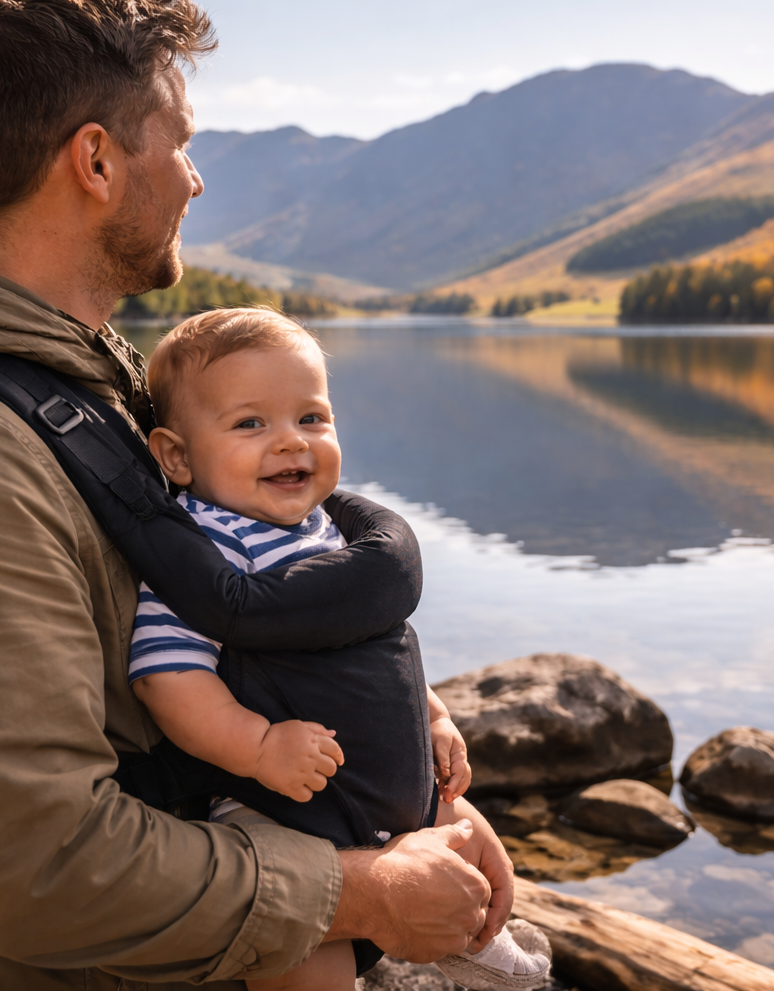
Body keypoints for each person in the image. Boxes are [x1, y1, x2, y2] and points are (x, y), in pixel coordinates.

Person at [0, 0, 513, 990]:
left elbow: (213, 597)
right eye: (178, 140)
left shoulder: (80, 386)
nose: (195, 179)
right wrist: (367, 889)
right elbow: (37, 863)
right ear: (95, 160)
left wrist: (403, 728)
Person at [128, 308, 552, 991]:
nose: (290, 443)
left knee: (463, 828)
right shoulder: (204, 552)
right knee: (305, 955)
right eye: (250, 424)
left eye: (312, 419)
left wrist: (434, 717)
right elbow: (167, 677)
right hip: (278, 803)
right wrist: (258, 747)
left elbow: (373, 644)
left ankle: (467, 930)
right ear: (177, 456)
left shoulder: (325, 531)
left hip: (367, 774)